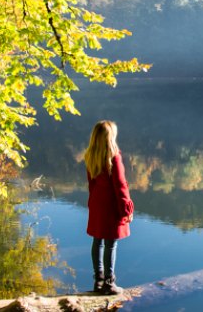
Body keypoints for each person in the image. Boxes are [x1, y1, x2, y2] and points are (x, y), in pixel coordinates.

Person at [84, 120, 134, 295]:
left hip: (97, 202)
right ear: (110, 137)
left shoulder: (91, 155)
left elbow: (91, 183)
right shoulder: (114, 157)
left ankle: (98, 280)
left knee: (97, 241)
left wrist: (92, 202)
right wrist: (127, 209)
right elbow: (120, 186)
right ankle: (109, 283)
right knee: (110, 244)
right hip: (111, 205)